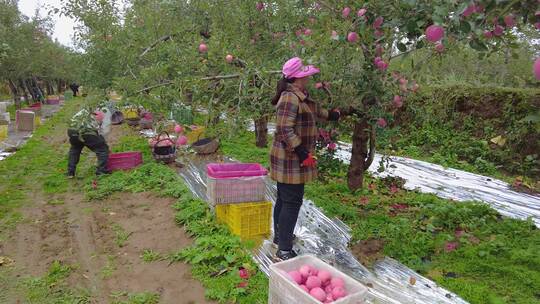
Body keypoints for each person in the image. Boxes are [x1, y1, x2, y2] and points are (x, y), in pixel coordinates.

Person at [270, 57, 342, 260]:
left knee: (285, 200)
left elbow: (318, 112)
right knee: (291, 202)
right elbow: (284, 129)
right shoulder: (289, 98)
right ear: (297, 78)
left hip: (292, 157)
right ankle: (283, 249)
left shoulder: (301, 97)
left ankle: (280, 238)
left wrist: (336, 114)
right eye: (306, 75)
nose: (309, 78)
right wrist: (301, 150)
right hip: (290, 158)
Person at [67, 107, 110, 178]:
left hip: (72, 130)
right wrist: (104, 144)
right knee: (102, 150)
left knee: (75, 149)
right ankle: (101, 171)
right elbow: (103, 131)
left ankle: (70, 172)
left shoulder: (85, 109)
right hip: (86, 130)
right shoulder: (104, 111)